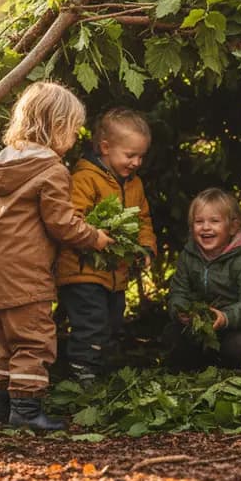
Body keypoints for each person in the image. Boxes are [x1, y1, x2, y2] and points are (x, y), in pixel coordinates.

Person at [0, 81, 115, 430]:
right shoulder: (51, 170)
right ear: (56, 128)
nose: (73, 138)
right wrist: (94, 237)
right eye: (71, 130)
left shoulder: (3, 164)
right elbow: (62, 223)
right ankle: (25, 413)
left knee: (7, 341)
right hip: (25, 271)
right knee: (34, 339)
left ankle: (3, 404)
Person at [54, 108, 156, 383]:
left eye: (141, 156)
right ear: (105, 148)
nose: (136, 162)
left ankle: (95, 370)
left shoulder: (135, 185)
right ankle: (81, 376)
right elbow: (70, 219)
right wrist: (93, 235)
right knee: (91, 323)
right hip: (82, 270)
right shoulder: (85, 178)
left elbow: (143, 219)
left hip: (115, 275)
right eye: (130, 155)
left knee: (111, 323)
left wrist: (146, 248)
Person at [164, 188, 241, 369]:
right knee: (172, 335)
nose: (206, 227)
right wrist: (180, 311)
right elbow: (178, 291)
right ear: (192, 227)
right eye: (199, 222)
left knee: (239, 346)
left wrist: (225, 317)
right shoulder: (189, 255)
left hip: (240, 325)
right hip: (205, 325)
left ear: (233, 227)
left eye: (214, 221)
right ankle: (209, 360)